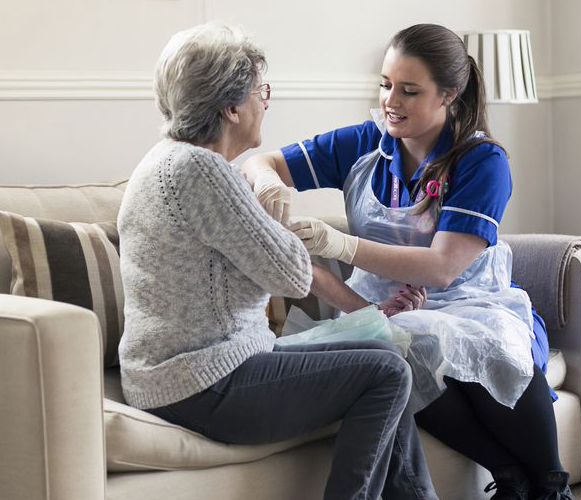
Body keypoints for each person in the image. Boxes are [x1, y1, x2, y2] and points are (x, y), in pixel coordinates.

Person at [243, 23, 574, 500]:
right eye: (385, 85)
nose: (390, 101)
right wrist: (268, 181)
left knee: (490, 346)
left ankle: (552, 482)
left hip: (468, 299)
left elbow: (442, 267)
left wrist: (340, 245)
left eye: (409, 90)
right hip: (380, 301)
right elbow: (262, 160)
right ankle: (509, 473)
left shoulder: (483, 161)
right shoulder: (365, 144)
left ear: (449, 94)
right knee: (398, 351)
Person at [117, 22, 440, 500]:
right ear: (230, 108)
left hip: (194, 370)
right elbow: (290, 273)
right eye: (258, 92)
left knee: (388, 357)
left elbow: (283, 264)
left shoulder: (167, 161)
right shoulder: (202, 172)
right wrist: (275, 210)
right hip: (201, 382)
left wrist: (365, 310)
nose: (264, 102)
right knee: (387, 373)